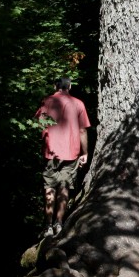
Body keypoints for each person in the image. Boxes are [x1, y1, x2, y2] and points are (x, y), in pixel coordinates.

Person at [34, 77, 90, 238]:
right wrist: (85, 152)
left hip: (50, 152)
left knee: (49, 187)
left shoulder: (47, 101)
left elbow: (39, 123)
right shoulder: (78, 104)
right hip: (71, 152)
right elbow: (82, 131)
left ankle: (47, 226)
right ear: (70, 86)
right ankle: (59, 223)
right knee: (64, 187)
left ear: (55, 86)